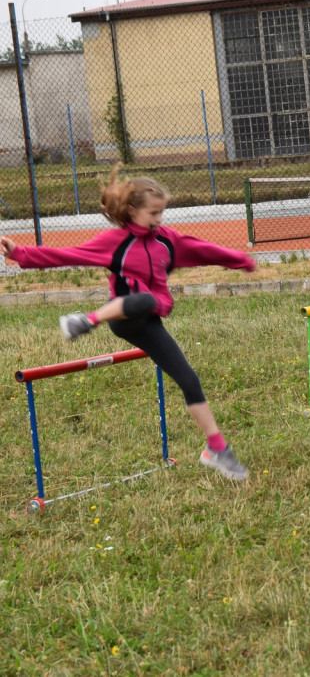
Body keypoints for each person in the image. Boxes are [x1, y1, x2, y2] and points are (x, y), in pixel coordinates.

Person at [0, 168, 256, 481]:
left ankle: (216, 449)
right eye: (153, 212)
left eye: (162, 211)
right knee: (145, 299)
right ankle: (86, 320)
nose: (160, 218)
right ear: (132, 211)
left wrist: (240, 260)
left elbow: (203, 249)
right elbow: (67, 255)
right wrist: (20, 254)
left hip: (149, 324)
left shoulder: (167, 241)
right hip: (121, 317)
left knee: (189, 379)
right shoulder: (115, 242)